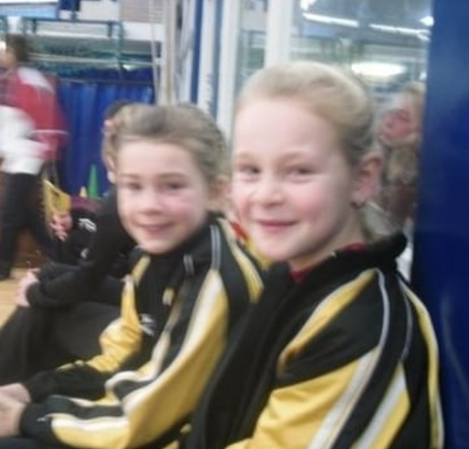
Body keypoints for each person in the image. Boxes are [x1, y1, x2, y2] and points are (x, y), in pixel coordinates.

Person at [0, 103, 264, 449]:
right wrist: (22, 392)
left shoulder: (215, 280)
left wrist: (25, 416)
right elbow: (121, 356)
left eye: (172, 186)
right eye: (133, 187)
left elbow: (149, 415)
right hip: (148, 416)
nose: (149, 205)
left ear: (216, 191)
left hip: (179, 433)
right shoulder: (149, 260)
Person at [182, 62, 443, 449]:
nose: (266, 195)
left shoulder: (362, 325)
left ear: (363, 178)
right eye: (250, 169)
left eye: (299, 171)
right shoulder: (291, 275)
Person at [0, 101, 138, 388]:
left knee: (47, 307)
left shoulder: (126, 203)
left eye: (117, 134)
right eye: (107, 134)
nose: (110, 141)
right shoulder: (121, 201)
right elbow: (107, 243)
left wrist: (35, 294)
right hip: (132, 298)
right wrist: (78, 220)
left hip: (138, 318)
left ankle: (0, 377)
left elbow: (93, 274)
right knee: (50, 276)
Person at [0, 34, 64, 282]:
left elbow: (47, 116)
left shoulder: (28, 79)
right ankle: (59, 257)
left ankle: (2, 267)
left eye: (4, 50)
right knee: (20, 212)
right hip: (16, 155)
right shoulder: (11, 79)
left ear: (15, 53)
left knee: (9, 212)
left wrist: (47, 147)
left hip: (28, 156)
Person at [377, 81, 425, 233]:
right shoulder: (379, 158)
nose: (388, 122)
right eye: (388, 113)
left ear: (422, 128)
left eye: (402, 117)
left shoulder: (410, 177)